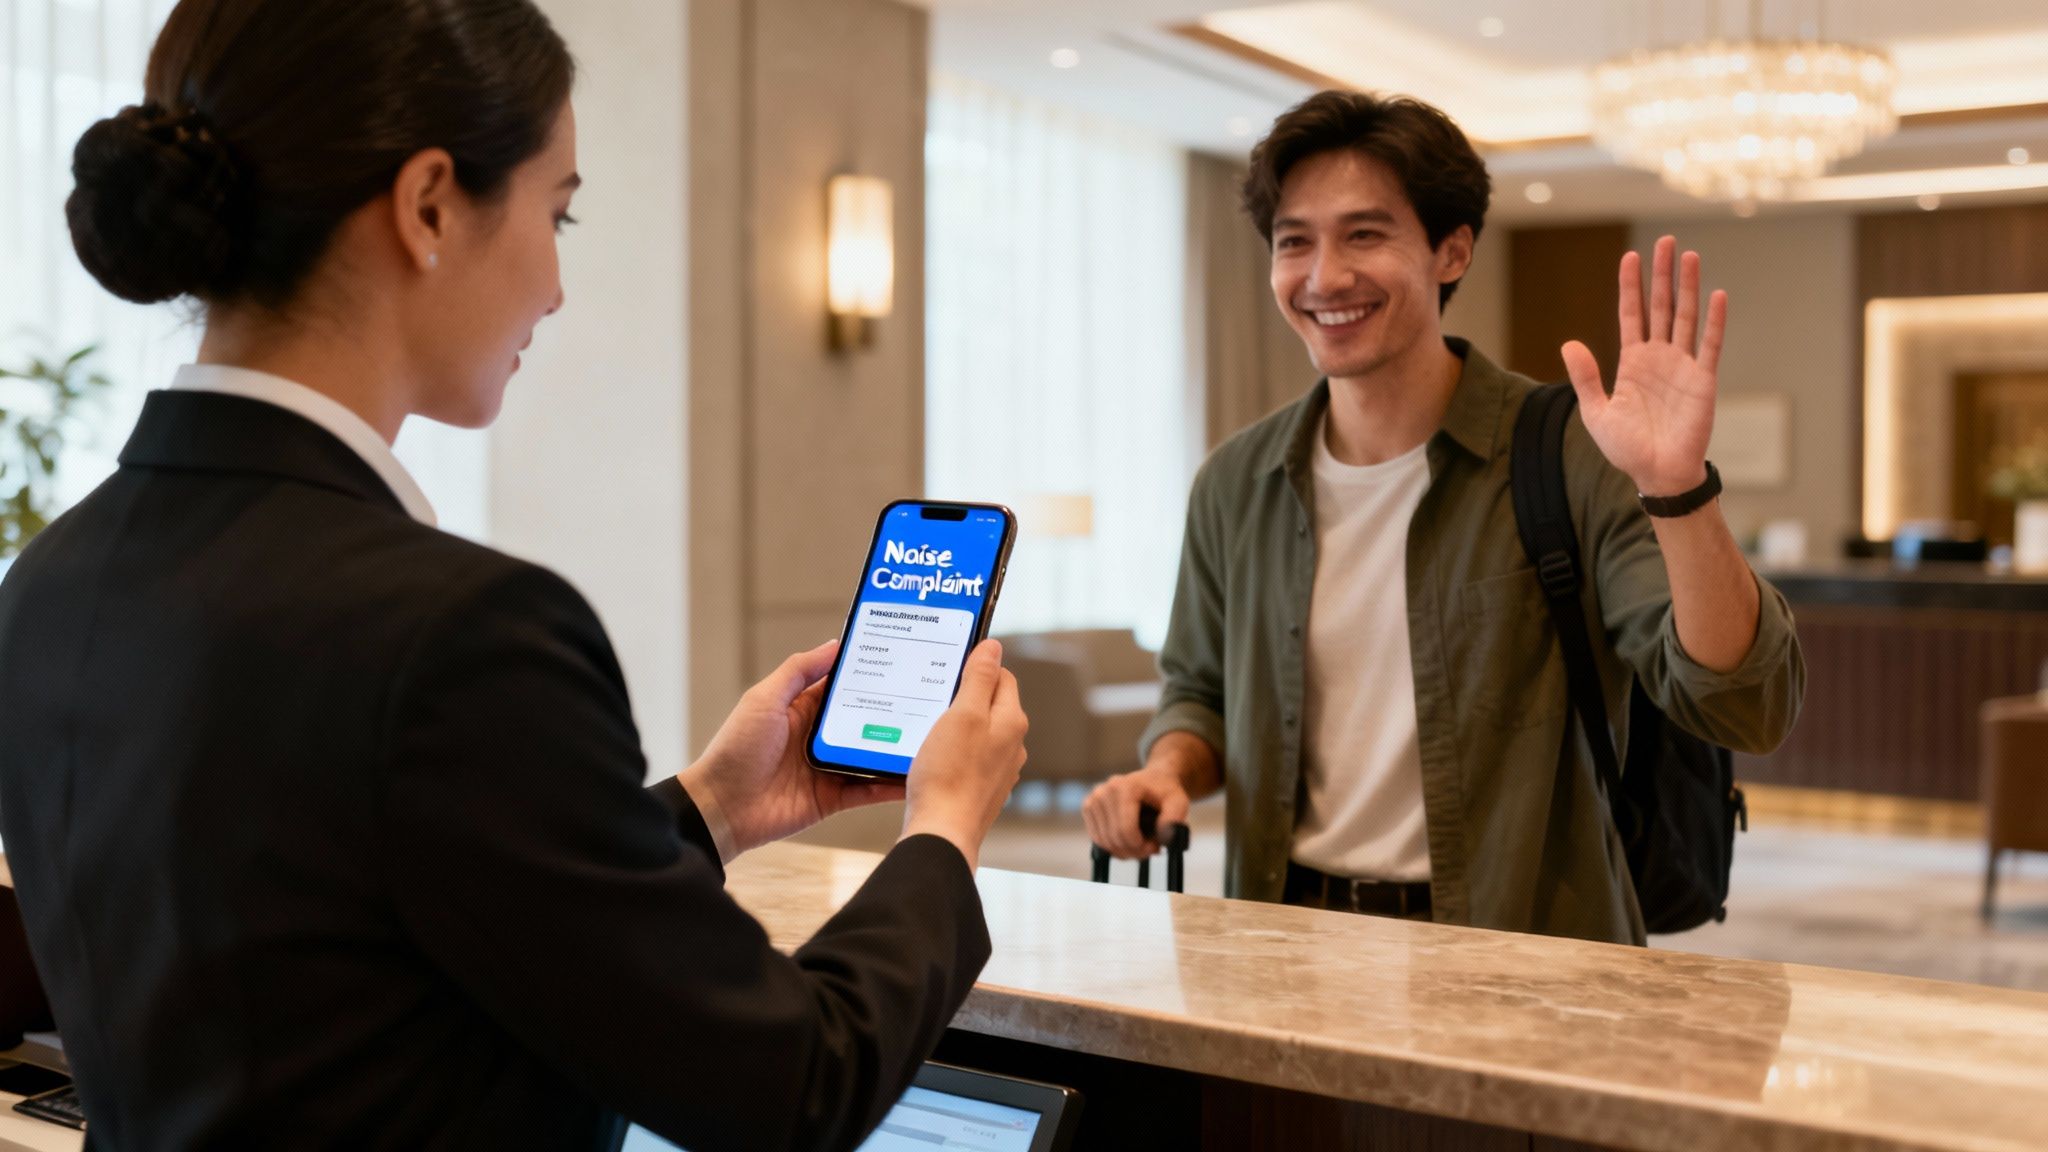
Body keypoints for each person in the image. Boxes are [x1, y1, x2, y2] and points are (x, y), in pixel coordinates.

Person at [0, 0, 1027, 1147]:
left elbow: (369, 917)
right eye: (558, 212)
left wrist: (710, 808)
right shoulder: (458, 632)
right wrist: (943, 829)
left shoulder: (49, 582)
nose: (556, 286)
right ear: (429, 205)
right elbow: (797, 1084)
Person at [1083, 91, 1803, 946]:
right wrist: (1166, 770)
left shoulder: (1569, 457)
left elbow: (1744, 706)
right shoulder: (1236, 482)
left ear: (1451, 250)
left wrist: (1678, 489)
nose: (1324, 277)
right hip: (1284, 942)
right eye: (1294, 241)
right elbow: (1200, 692)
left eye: (1364, 234)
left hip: (1520, 957)